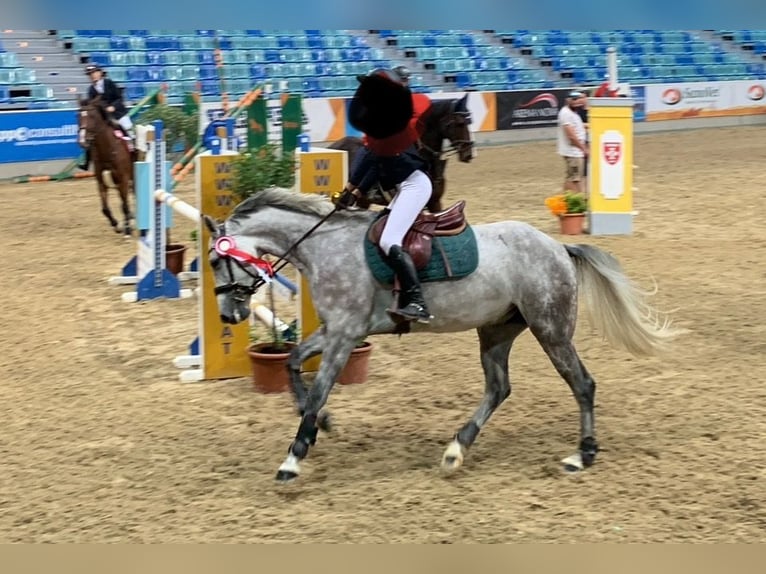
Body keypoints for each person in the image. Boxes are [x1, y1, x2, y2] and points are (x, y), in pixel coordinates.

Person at [335, 68, 433, 324]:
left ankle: (417, 302)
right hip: (404, 187)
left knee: (390, 240)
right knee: (377, 230)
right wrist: (352, 193)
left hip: (415, 186)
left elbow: (367, 157)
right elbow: (374, 163)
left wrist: (350, 188)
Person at [79, 63, 133, 170]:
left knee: (127, 128)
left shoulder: (109, 83)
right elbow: (92, 105)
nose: (92, 76)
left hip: (118, 113)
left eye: (94, 73)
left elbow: (119, 98)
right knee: (91, 135)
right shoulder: (91, 90)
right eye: (90, 74)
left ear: (100, 73)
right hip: (103, 117)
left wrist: (113, 107)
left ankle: (133, 150)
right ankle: (87, 161)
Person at [556, 90, 588, 195]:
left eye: (578, 99)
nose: (576, 101)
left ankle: (572, 198)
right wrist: (583, 149)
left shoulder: (572, 113)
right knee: (573, 178)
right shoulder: (566, 114)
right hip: (573, 151)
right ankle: (572, 200)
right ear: (567, 100)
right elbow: (571, 136)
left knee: (573, 177)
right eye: (574, 99)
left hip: (575, 151)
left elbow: (577, 128)